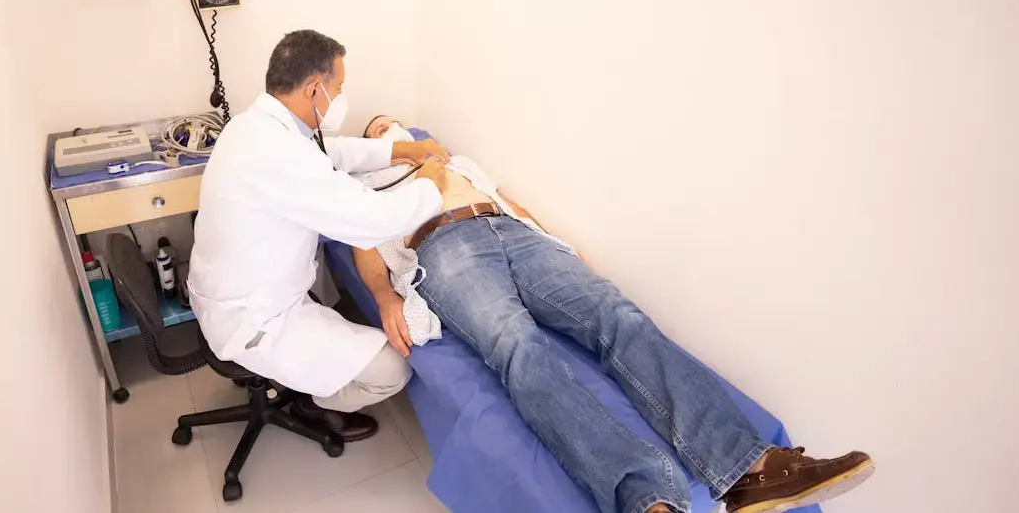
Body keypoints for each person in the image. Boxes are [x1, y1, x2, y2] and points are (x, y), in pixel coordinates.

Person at [352, 116, 875, 513]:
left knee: (618, 314)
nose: (392, 126)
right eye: (381, 128)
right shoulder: (373, 181)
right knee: (519, 347)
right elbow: (364, 241)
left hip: (514, 234)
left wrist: (558, 243)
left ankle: (751, 470)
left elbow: (509, 202)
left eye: (394, 120)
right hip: (445, 247)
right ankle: (648, 498)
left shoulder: (459, 163)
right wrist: (384, 295)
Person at [188, 32, 450, 442]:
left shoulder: (253, 127)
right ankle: (314, 403)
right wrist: (432, 185)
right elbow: (373, 220)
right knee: (392, 370)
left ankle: (313, 380)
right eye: (339, 89)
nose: (341, 97)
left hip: (236, 292)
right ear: (314, 88)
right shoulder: (277, 153)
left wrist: (399, 150)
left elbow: (329, 153)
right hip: (256, 319)